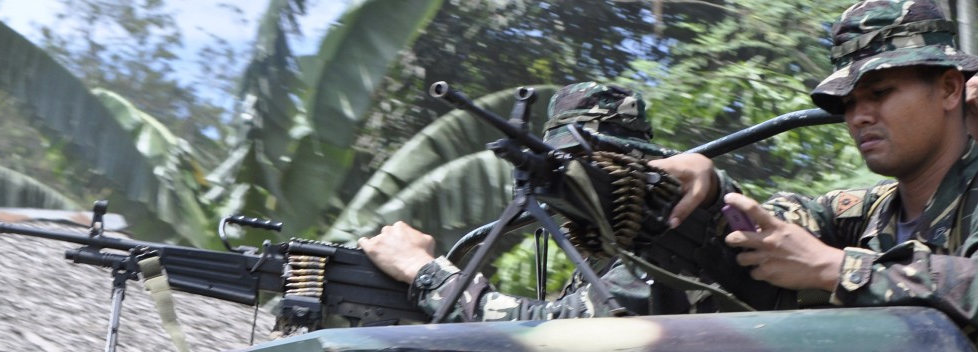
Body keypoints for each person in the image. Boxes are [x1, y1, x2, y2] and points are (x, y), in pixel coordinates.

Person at [652, 0, 978, 334]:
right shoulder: (865, 213)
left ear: (950, 89)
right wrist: (708, 192)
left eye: (880, 93)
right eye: (848, 103)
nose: (858, 117)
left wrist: (834, 268)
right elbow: (770, 228)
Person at [359, 82, 702, 321]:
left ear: (631, 162)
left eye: (584, 166)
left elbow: (558, 330)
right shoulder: (606, 250)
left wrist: (425, 272)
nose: (568, 181)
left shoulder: (672, 227)